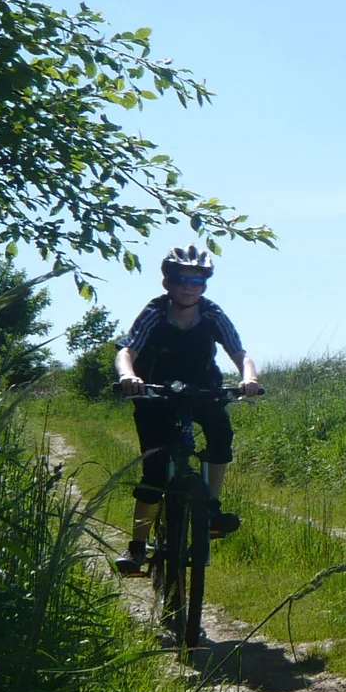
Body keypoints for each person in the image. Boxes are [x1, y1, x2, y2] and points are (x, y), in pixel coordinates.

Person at [112, 244, 262, 575]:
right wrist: (128, 376)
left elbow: (240, 353)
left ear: (205, 286)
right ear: (168, 283)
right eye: (182, 281)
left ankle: (209, 508)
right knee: (153, 470)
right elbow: (127, 350)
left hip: (203, 390)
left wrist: (248, 379)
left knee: (221, 437)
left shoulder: (212, 314)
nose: (189, 288)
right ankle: (137, 548)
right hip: (155, 392)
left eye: (198, 282)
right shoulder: (154, 311)